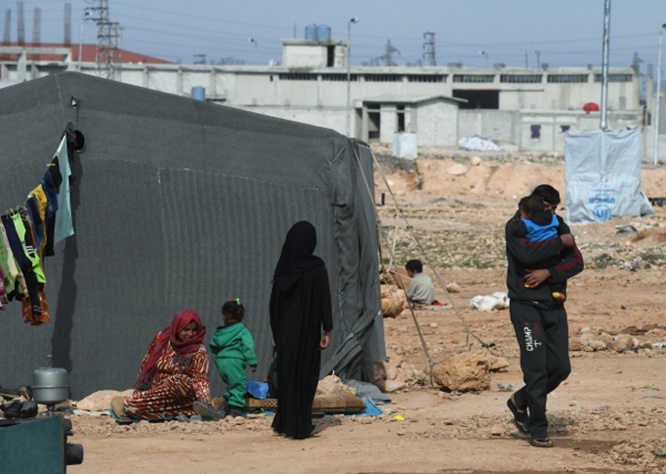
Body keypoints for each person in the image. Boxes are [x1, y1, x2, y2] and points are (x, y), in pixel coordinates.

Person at [505, 184, 584, 448]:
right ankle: (538, 428)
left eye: (554, 209)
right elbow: (526, 254)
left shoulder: (557, 223)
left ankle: (520, 400)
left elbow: (576, 260)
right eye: (547, 208)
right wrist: (558, 244)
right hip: (526, 308)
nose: (551, 214)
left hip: (554, 305)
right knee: (536, 370)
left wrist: (549, 273)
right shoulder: (516, 227)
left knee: (561, 367)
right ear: (534, 204)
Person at [270, 221, 333, 439]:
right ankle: (301, 424)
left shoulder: (283, 267)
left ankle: (285, 422)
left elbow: (274, 303)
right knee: (305, 375)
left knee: (287, 376)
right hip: (308, 332)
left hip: (286, 332)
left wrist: (276, 333)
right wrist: (328, 330)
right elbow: (325, 299)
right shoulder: (317, 267)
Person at [121, 308, 212, 421]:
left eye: (194, 330)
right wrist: (139, 392)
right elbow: (147, 364)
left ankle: (195, 410)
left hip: (182, 393)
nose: (191, 334)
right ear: (178, 328)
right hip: (158, 393)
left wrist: (205, 404)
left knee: (177, 380)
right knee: (129, 406)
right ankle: (181, 413)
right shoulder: (162, 338)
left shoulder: (199, 349)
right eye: (186, 329)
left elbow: (200, 379)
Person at [510, 194, 573, 302]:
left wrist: (516, 223)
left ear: (528, 214)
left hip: (538, 252)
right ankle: (557, 290)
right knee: (555, 269)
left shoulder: (526, 224)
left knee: (527, 270)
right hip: (553, 255)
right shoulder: (555, 220)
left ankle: (528, 285)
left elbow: (515, 231)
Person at [208, 298, 258, 418]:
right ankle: (235, 409)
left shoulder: (219, 332)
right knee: (239, 384)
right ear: (241, 316)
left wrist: (218, 358)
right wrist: (252, 361)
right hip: (235, 362)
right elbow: (248, 346)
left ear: (224, 316)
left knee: (232, 384)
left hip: (222, 363)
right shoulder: (242, 330)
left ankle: (226, 406)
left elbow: (213, 344)